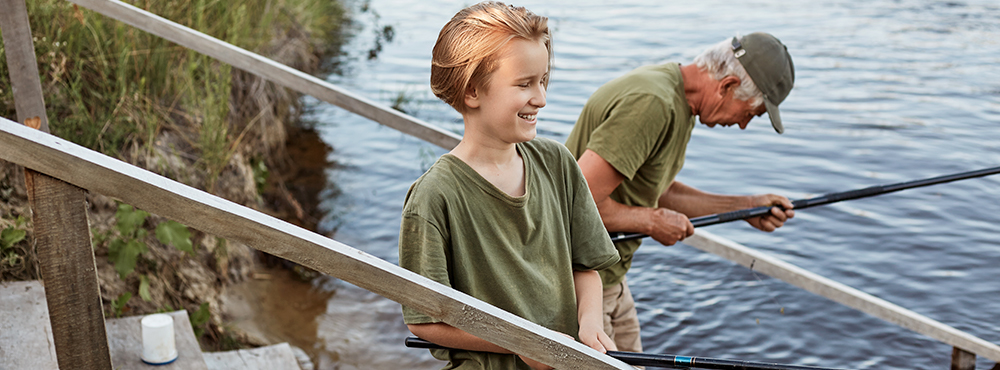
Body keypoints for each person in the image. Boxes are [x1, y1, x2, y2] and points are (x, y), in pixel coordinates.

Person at [398, 2, 621, 369]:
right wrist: (520, 342)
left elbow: (586, 267)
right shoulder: (434, 196)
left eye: (544, 80)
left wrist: (590, 323)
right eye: (524, 84)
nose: (541, 98)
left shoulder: (557, 163)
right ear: (472, 92)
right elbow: (425, 319)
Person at [564, 32, 798, 353]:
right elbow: (578, 203)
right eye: (752, 113)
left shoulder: (678, 101)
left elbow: (657, 191)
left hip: (610, 279)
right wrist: (651, 222)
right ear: (728, 86)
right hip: (579, 282)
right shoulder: (653, 104)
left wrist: (747, 207)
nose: (744, 125)